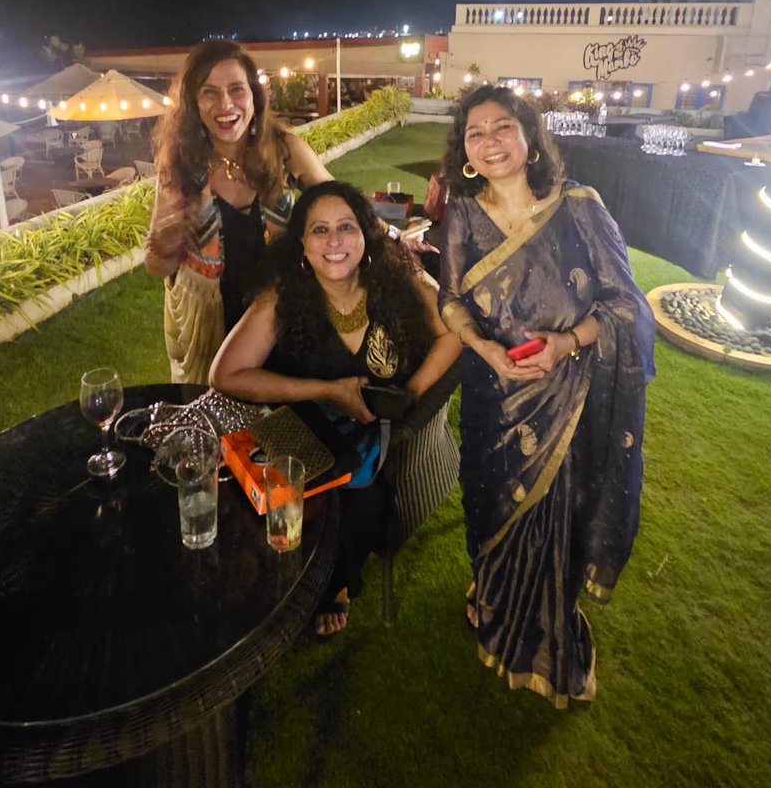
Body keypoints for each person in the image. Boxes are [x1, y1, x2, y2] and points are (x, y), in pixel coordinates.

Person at [438, 85, 654, 708]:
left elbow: (626, 308)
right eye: (476, 134)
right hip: (492, 396)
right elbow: (450, 300)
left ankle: (552, 635)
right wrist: (482, 351)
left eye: (503, 127)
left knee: (557, 514)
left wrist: (567, 343)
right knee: (489, 505)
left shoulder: (580, 207)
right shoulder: (462, 216)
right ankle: (491, 597)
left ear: (530, 138)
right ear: (467, 152)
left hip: (571, 399)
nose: (490, 142)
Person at [210, 181, 462, 636]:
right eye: (319, 230)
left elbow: (456, 332)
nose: (334, 241)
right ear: (302, 245)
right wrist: (324, 392)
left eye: (346, 227)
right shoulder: (283, 298)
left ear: (366, 234)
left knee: (360, 502)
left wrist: (410, 395)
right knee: (269, 495)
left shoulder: (398, 280)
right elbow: (226, 374)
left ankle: (337, 586)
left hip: (375, 430)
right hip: (304, 425)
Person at [145, 39, 333, 386]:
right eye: (209, 92)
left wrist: (395, 237)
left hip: (281, 320)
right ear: (193, 103)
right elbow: (157, 266)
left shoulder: (285, 151)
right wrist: (167, 239)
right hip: (213, 333)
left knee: (285, 426)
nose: (225, 104)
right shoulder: (181, 169)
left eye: (236, 89)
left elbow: (341, 206)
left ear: (254, 97)